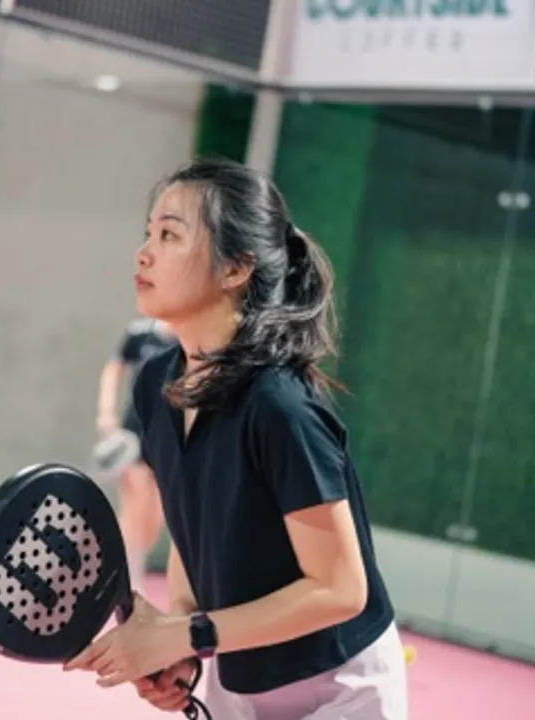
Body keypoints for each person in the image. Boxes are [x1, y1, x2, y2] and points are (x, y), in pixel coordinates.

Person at [66, 157, 407, 719]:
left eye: (169, 235)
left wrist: (188, 634)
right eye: (148, 233)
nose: (143, 253)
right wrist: (182, 637)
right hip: (236, 671)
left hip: (341, 687)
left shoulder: (280, 408)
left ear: (235, 268)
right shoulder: (156, 384)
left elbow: (342, 589)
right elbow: (192, 529)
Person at [95, 317, 176, 592]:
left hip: (170, 439)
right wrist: (106, 411)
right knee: (134, 508)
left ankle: (125, 567)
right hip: (135, 432)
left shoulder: (187, 340)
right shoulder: (140, 334)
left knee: (155, 519)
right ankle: (128, 581)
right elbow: (114, 367)